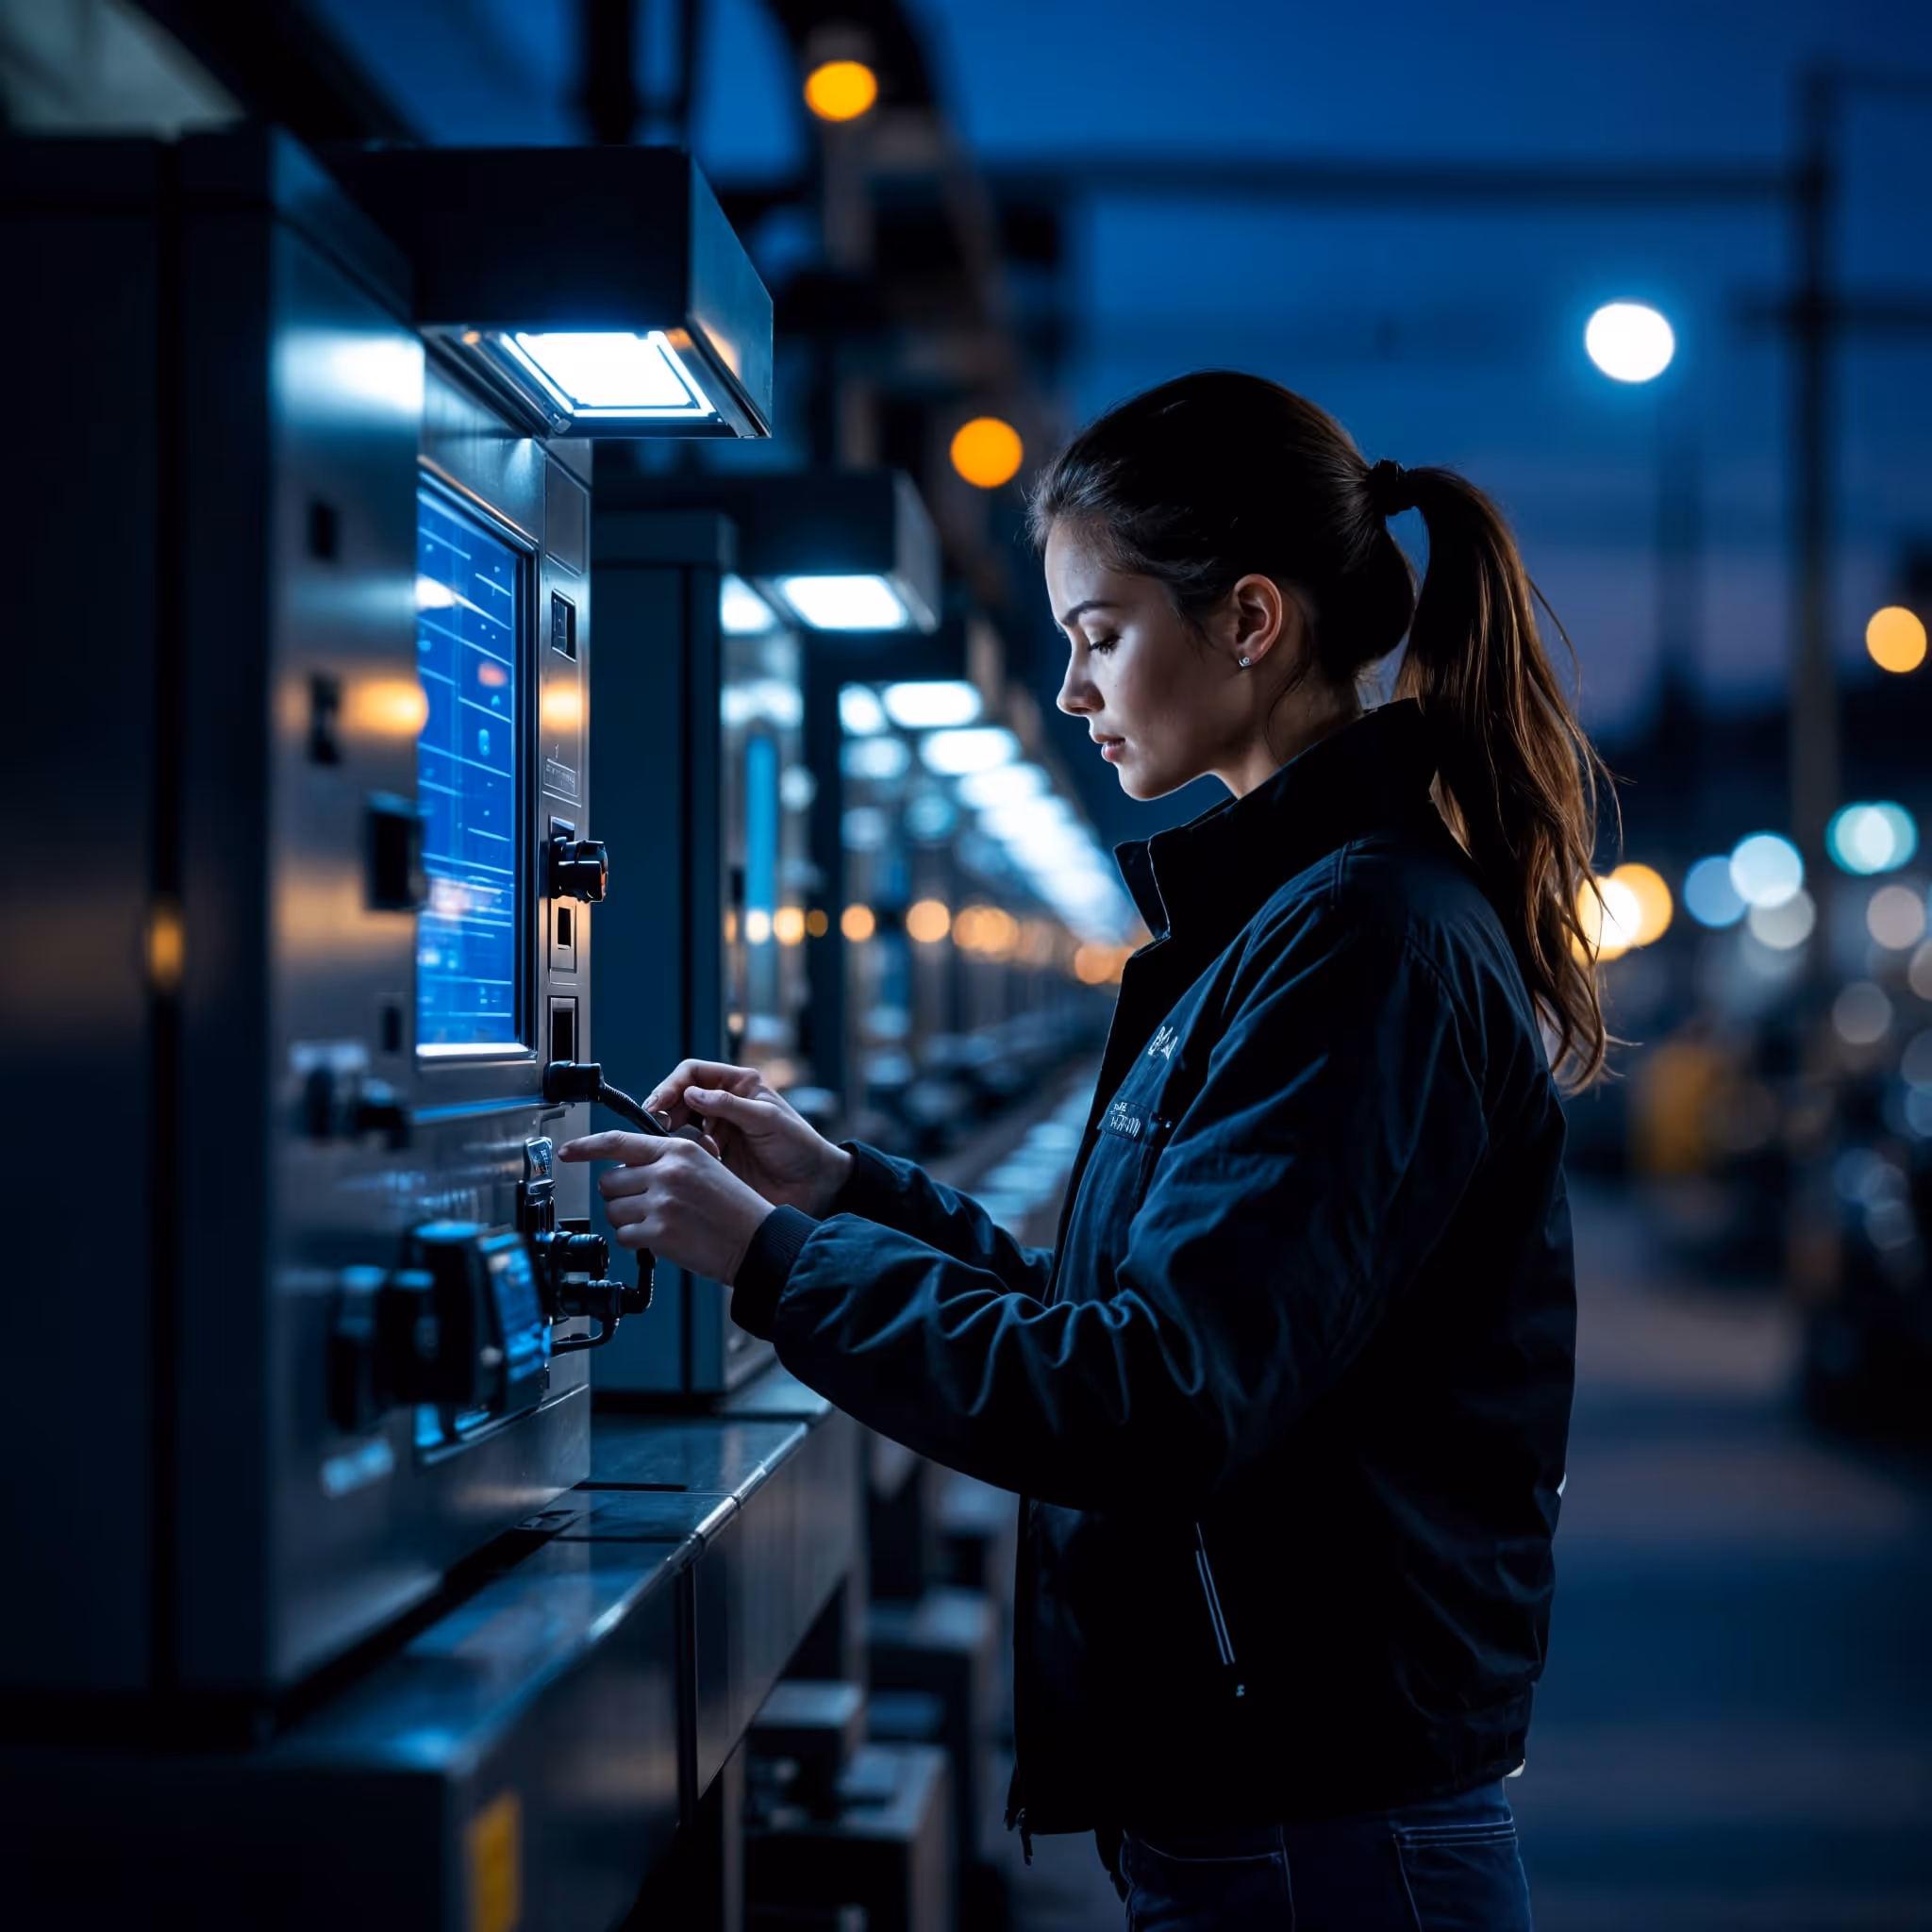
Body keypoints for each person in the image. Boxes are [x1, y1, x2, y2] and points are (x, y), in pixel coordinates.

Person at [562, 371, 1605, 1930]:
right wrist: (841, 1189)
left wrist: (765, 1260)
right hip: (1276, 1810)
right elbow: (1110, 1314)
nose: (1072, 688)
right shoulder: (1285, 928)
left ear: (1250, 620)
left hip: (1321, 1836)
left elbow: (1152, 1401)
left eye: (1098, 633)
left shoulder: (1362, 943)